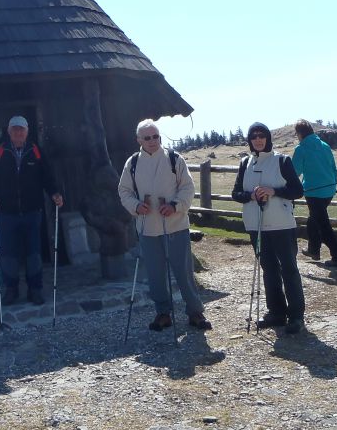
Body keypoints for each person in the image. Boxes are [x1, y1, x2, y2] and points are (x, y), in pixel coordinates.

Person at [117, 119, 211, 332]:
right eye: (147, 137)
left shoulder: (174, 159)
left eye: (156, 136)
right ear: (139, 140)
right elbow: (124, 191)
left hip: (175, 225)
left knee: (184, 271)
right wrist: (135, 206)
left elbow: (188, 188)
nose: (152, 141)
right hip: (147, 228)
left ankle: (195, 312)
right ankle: (163, 313)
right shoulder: (132, 163)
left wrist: (175, 206)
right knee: (155, 274)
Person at [232, 122, 305, 334]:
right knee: (269, 269)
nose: (258, 139)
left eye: (261, 135)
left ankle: (296, 316)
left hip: (282, 224)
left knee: (289, 269)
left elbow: (297, 190)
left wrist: (274, 191)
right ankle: (276, 313)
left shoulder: (282, 160)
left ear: (268, 138)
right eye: (254, 136)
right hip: (255, 225)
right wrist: (251, 196)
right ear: (249, 140)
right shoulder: (245, 163)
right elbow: (236, 193)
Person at [0, 115, 63, 305]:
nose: (18, 132)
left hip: (32, 211)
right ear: (9, 131)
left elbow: (48, 175)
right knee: (8, 254)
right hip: (6, 212)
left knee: (34, 253)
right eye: (14, 129)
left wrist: (54, 193)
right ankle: (11, 290)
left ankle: (34, 289)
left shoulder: (35, 151)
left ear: (27, 131)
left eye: (21, 129)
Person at [292, 119, 337, 269]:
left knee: (323, 225)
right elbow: (333, 167)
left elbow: (294, 172)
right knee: (314, 220)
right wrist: (333, 185)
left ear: (299, 133)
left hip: (313, 192)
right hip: (328, 190)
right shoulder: (324, 146)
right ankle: (314, 250)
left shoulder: (301, 148)